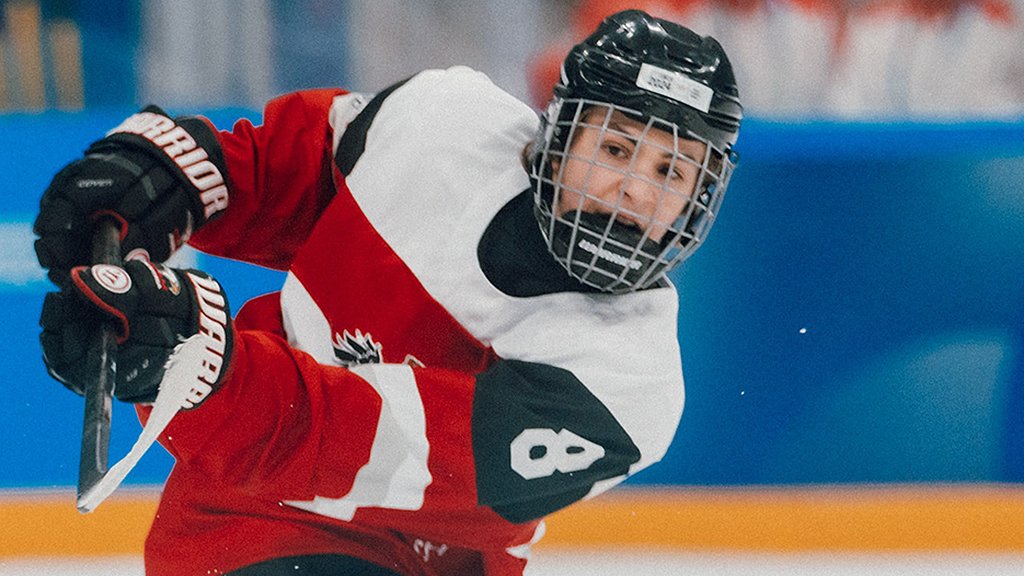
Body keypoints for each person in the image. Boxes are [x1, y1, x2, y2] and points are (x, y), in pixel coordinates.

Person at [35, 9, 742, 576]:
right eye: (616, 149)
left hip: (410, 554)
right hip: (244, 521)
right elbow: (301, 168)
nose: (635, 191)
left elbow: (364, 445)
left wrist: (203, 369)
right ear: (557, 134)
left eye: (672, 173)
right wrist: (190, 177)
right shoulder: (444, 121)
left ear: (699, 200)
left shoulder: (626, 389)